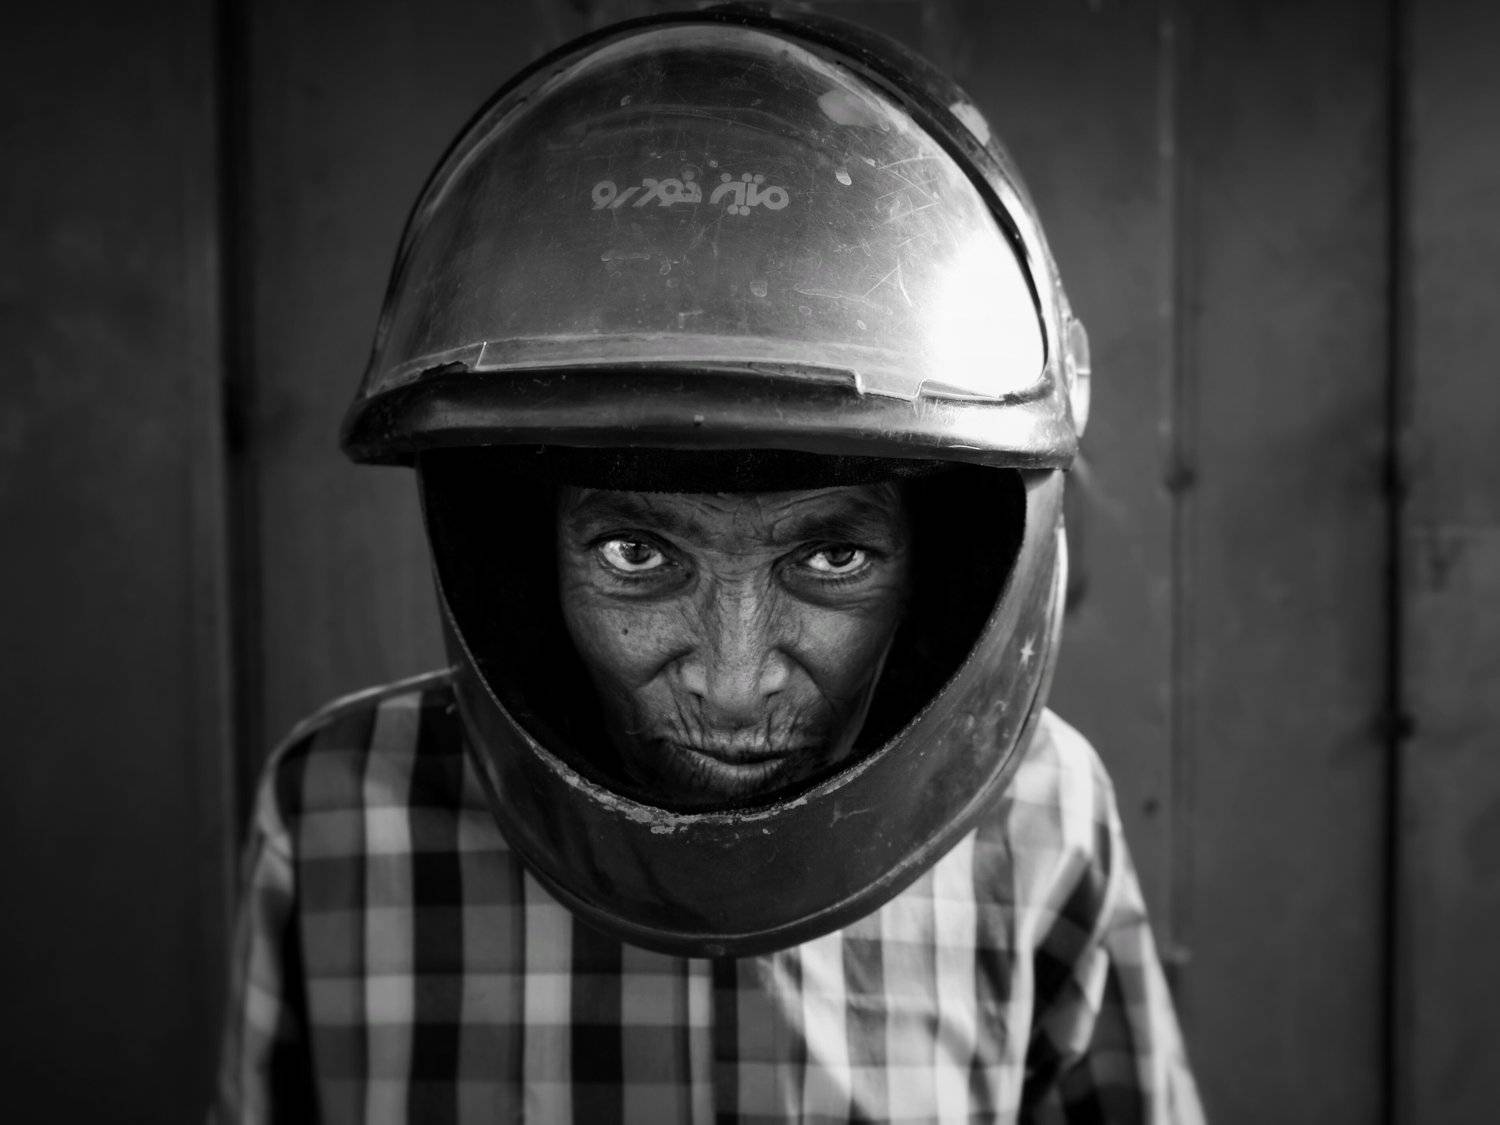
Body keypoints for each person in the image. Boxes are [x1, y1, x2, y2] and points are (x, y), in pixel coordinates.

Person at [214, 6, 1203, 1121]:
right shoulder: (340, 811)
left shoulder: (1038, 814)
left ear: (942, 560)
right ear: (516, 553)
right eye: (637, 553)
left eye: (832, 555)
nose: (733, 683)